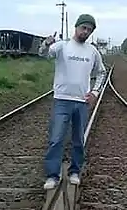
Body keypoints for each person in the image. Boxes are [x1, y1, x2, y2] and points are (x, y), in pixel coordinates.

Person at [38, 13, 107, 190]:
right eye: (83, 28)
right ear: (76, 27)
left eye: (89, 30)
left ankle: (75, 171)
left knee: (78, 139)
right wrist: (46, 43)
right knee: (56, 138)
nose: (86, 32)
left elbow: (101, 72)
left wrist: (95, 92)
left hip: (82, 102)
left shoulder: (92, 52)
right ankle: (53, 175)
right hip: (62, 100)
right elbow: (43, 54)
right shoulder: (62, 47)